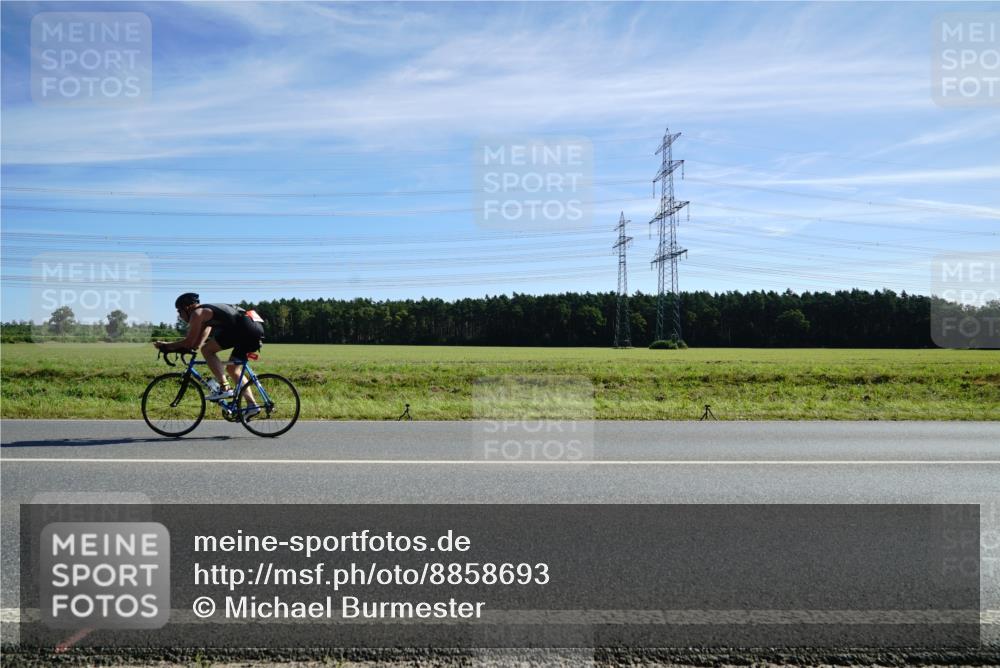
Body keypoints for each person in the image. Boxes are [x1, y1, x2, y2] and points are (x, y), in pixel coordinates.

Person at [154, 293, 264, 414]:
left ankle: (224, 387)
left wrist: (166, 345)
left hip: (244, 327)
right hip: (253, 328)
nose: (179, 316)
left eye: (179, 311)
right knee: (233, 369)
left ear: (187, 308)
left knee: (207, 351)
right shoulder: (206, 316)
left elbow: (190, 342)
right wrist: (181, 348)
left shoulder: (198, 313)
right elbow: (195, 344)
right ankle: (252, 405)